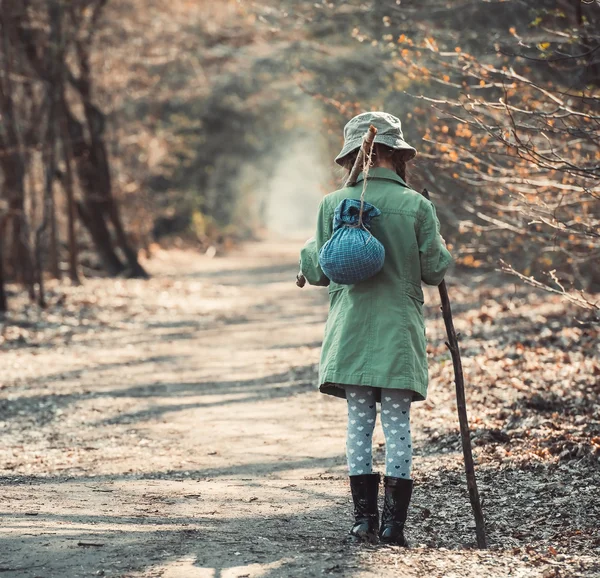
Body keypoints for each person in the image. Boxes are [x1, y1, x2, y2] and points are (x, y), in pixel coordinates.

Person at [300, 112, 452, 546]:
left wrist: (304, 257)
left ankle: (363, 521)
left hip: (351, 331)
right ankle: (394, 528)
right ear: (397, 154)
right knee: (398, 425)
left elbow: (318, 270)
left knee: (358, 423)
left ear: (355, 156)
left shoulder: (331, 204)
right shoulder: (418, 206)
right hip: (398, 335)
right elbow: (434, 270)